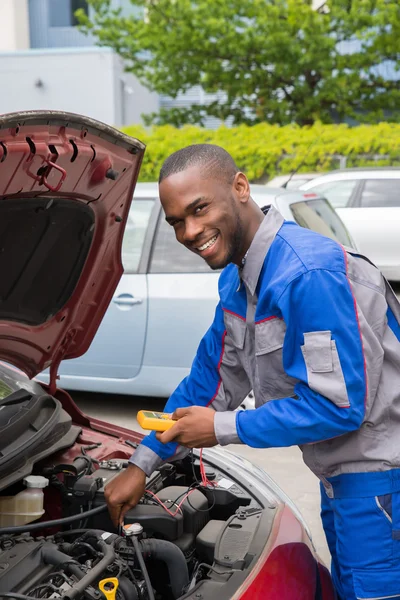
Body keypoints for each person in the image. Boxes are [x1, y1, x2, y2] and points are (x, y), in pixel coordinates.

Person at [105, 144, 400, 600]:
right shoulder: (239, 281)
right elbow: (209, 383)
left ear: (240, 187)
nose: (189, 231)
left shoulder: (307, 274)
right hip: (341, 482)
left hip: (382, 487)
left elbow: (340, 406)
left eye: (199, 209)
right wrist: (141, 465)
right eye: (177, 221)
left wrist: (221, 429)